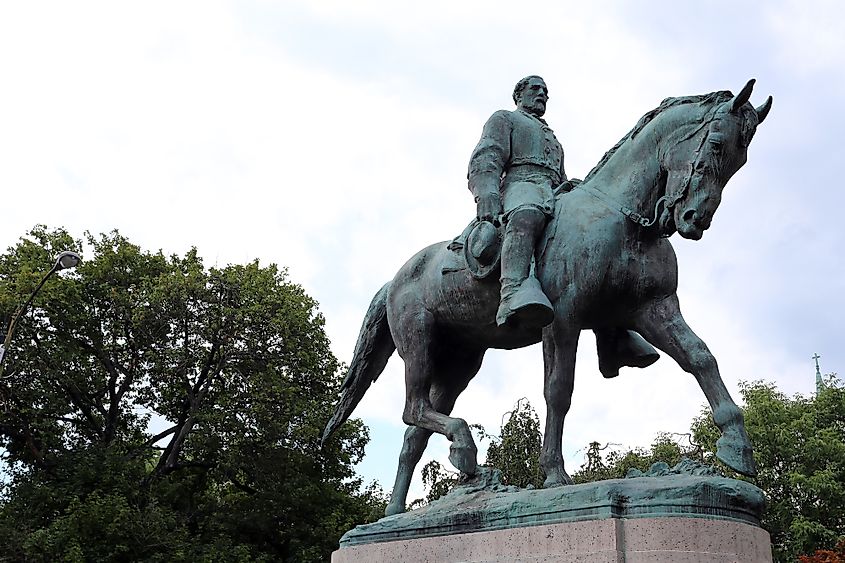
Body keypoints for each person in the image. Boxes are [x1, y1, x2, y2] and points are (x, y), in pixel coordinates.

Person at [468, 75, 567, 327]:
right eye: (535, 88)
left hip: (553, 190)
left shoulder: (553, 138)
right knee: (527, 215)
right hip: (520, 186)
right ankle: (510, 293)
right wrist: (487, 192)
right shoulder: (505, 118)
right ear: (519, 95)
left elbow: (560, 175)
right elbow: (487, 155)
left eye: (545, 90)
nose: (542, 93)